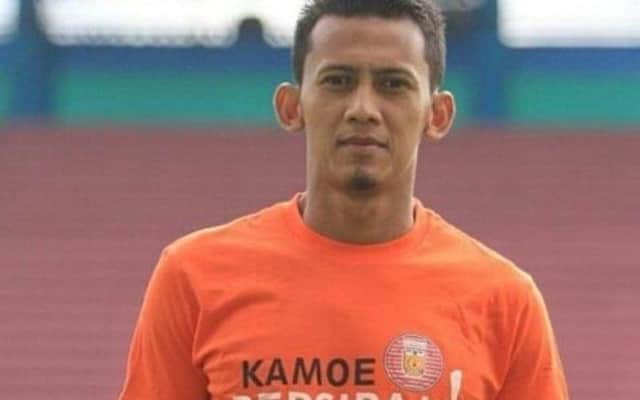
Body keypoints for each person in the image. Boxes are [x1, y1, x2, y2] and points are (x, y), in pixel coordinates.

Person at [118, 1, 569, 399]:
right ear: (292, 106)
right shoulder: (194, 277)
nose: (362, 109)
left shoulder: (504, 302)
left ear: (437, 114)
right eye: (338, 81)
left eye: (393, 84)